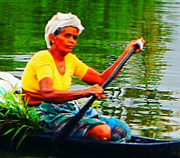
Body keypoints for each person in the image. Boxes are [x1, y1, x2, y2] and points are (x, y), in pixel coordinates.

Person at [20, 12, 143, 142]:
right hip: (42, 113)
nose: (72, 41)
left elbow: (101, 80)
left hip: (64, 107)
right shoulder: (43, 58)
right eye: (67, 35)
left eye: (74, 37)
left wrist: (126, 53)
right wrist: (86, 92)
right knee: (103, 131)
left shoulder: (70, 60)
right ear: (52, 37)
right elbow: (47, 94)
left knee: (121, 130)